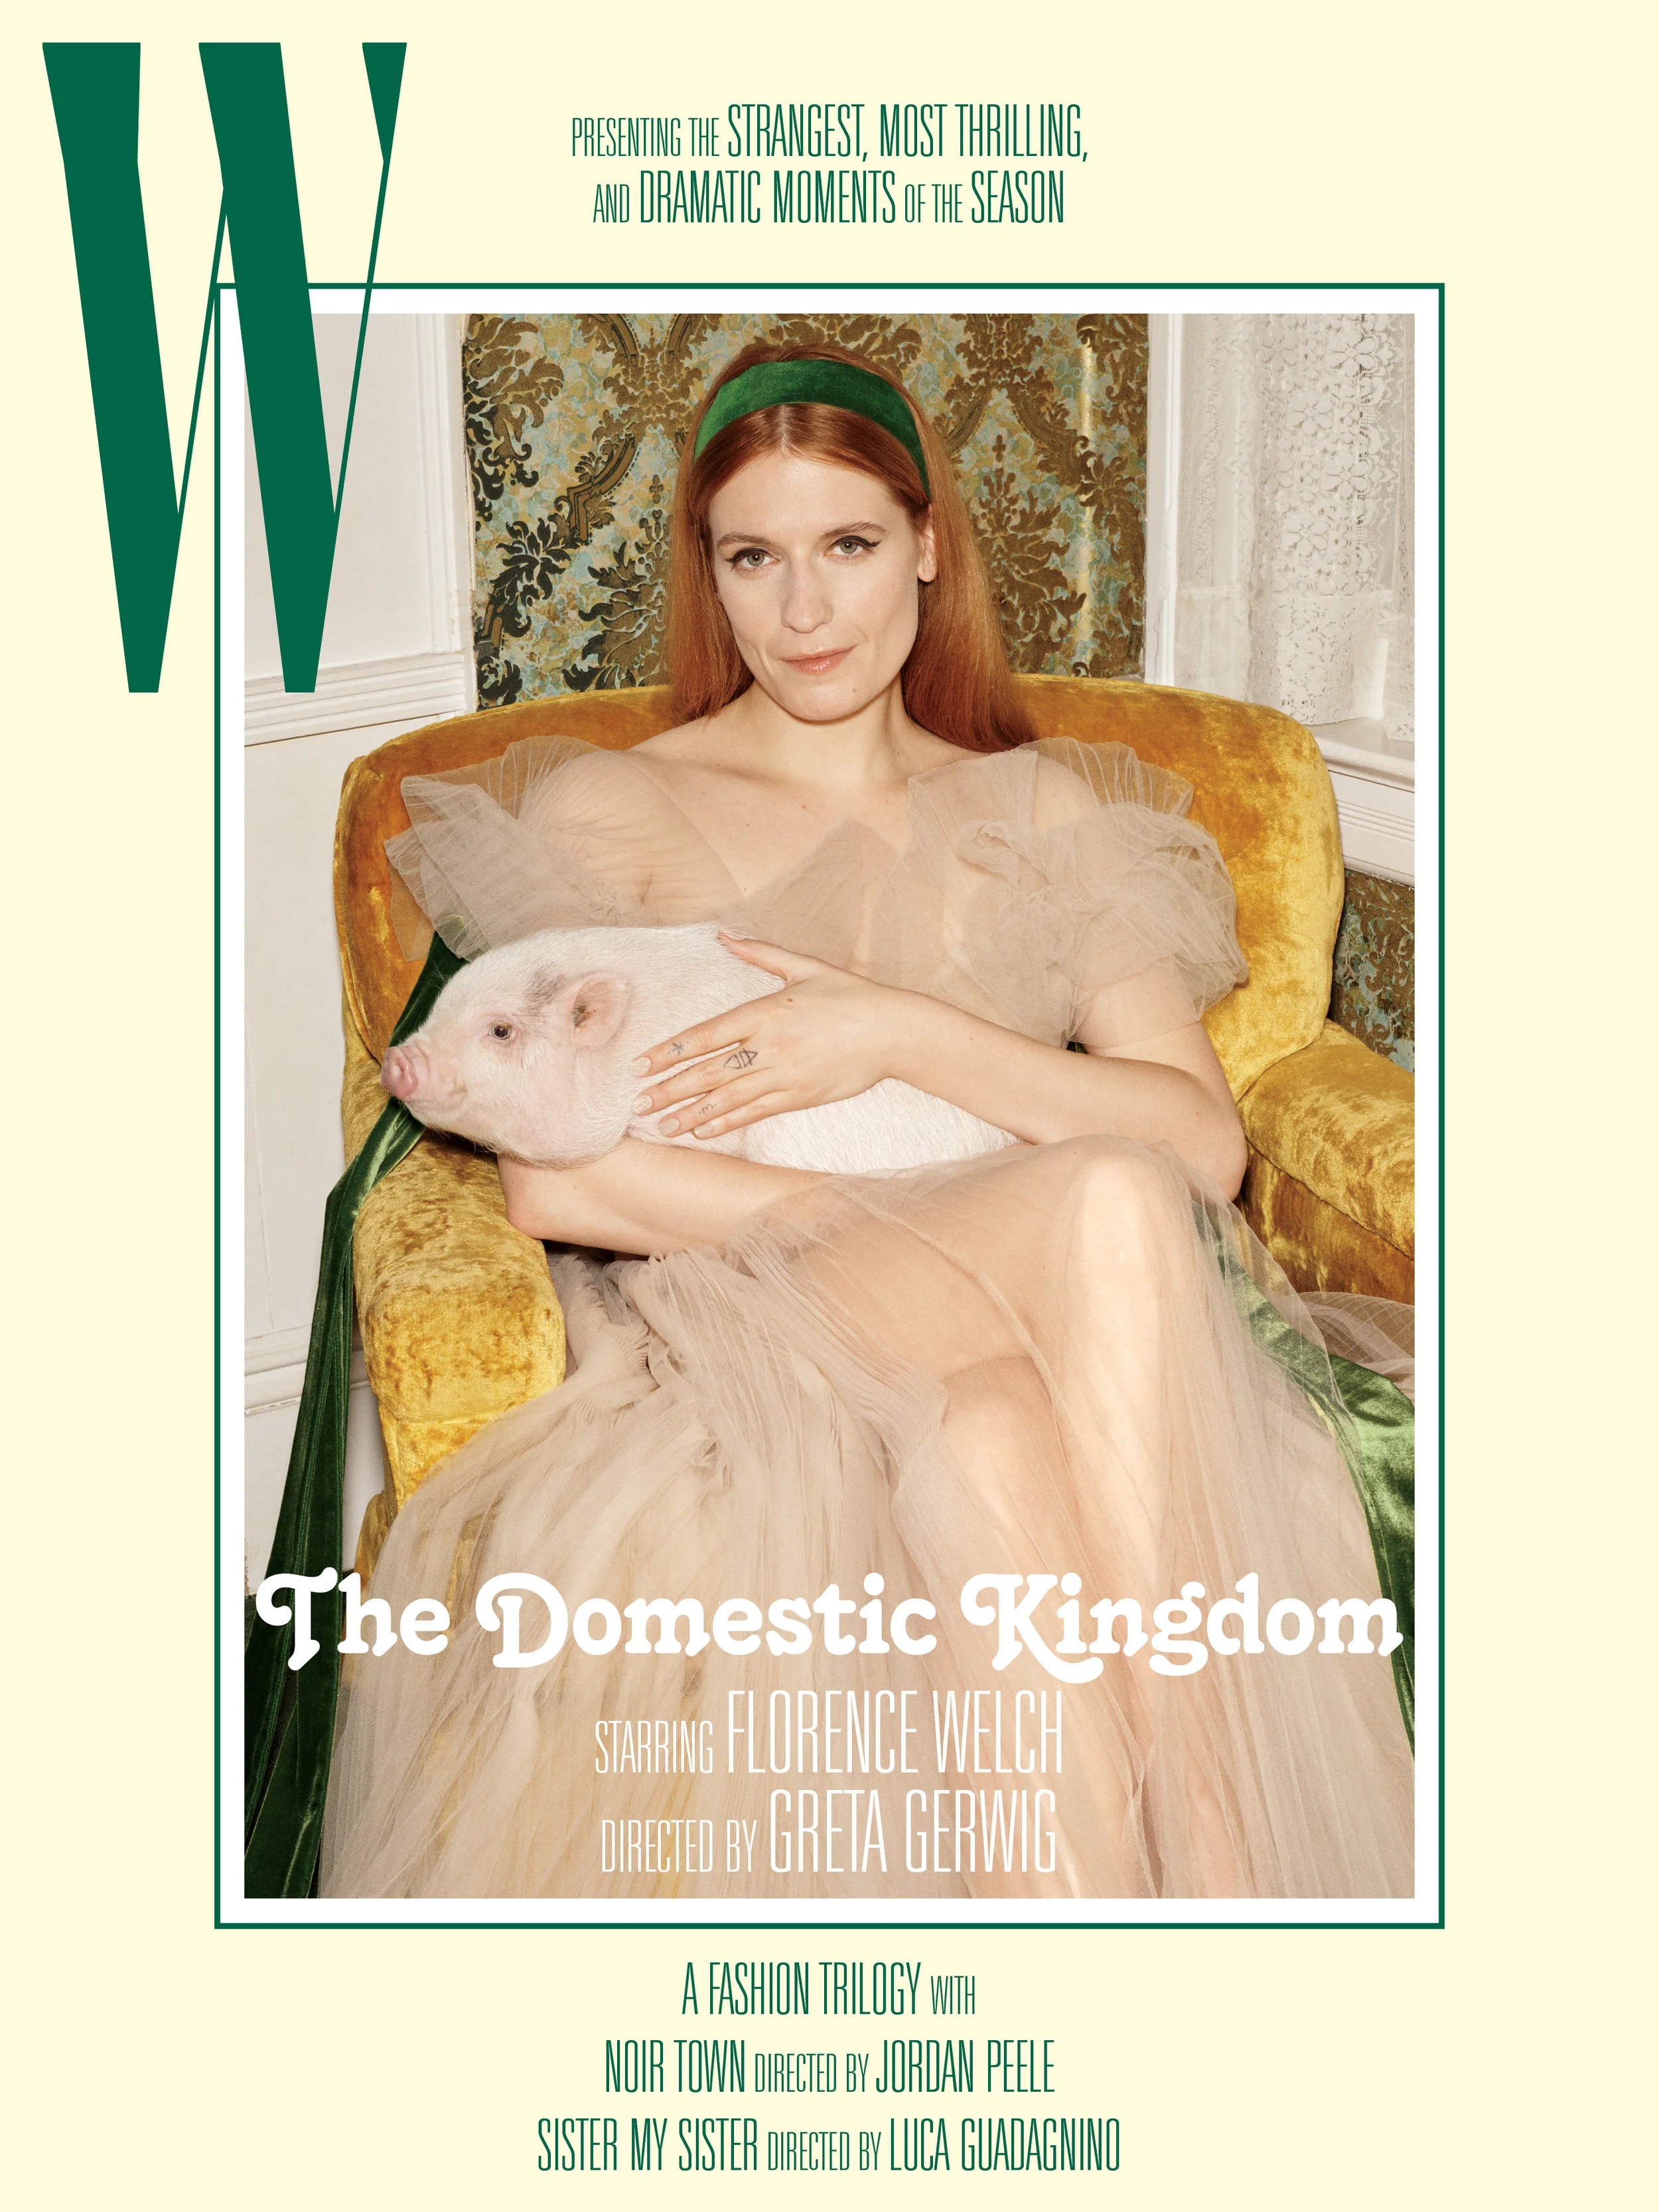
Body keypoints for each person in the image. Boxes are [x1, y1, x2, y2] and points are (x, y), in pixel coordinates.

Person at [319, 342, 1414, 1900]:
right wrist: (875, 1212)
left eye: (844, 544)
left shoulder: (1041, 811)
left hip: (1036, 1320)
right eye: (751, 558)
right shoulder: (612, 809)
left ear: (925, 545)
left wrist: (897, 1030)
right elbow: (557, 1189)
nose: (802, 610)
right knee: (1105, 1201)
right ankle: (1213, 1839)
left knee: (993, 1441)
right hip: (757, 1300)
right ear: (709, 576)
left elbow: (1201, 1142)